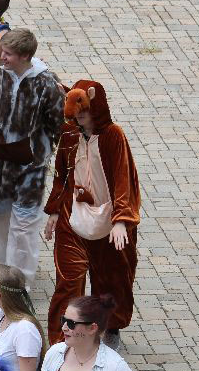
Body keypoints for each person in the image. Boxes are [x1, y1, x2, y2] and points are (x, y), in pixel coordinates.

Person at [43, 80, 140, 350]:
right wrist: (54, 210)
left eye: (84, 112)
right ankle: (61, 342)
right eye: (76, 114)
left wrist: (121, 220)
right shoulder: (69, 135)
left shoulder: (113, 136)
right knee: (68, 281)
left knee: (111, 278)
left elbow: (124, 179)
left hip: (108, 219)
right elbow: (61, 176)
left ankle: (110, 326)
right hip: (73, 216)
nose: (80, 118)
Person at [0, 29, 65, 284]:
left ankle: (21, 283)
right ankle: (7, 271)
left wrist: (43, 150)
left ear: (25, 56)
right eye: (2, 52)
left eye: (8, 54)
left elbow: (58, 124)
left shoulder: (47, 84)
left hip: (31, 167)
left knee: (25, 225)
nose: (2, 58)